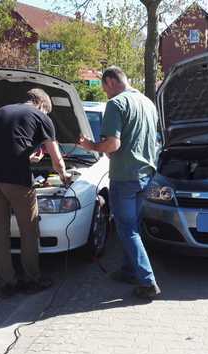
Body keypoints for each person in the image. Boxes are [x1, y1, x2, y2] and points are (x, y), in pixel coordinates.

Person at [78, 66, 161, 300]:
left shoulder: (116, 104)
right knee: (133, 225)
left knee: (127, 229)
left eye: (104, 88)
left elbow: (112, 145)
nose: (105, 94)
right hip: (146, 174)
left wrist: (91, 146)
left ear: (111, 81)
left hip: (125, 176)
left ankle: (147, 282)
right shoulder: (148, 102)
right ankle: (129, 270)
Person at [0, 88, 69, 297]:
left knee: (0, 232)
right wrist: (64, 175)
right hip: (17, 180)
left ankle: (7, 282)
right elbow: (56, 158)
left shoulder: (1, 111)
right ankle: (32, 279)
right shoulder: (41, 116)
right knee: (29, 230)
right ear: (42, 105)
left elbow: (1, 145)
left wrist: (27, 159)